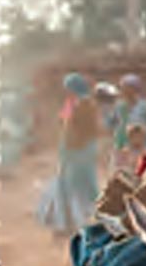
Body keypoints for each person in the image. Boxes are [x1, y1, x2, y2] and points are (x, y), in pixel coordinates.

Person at [36, 73, 101, 235]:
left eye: (69, 89)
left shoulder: (86, 105)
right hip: (71, 150)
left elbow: (88, 130)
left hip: (81, 150)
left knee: (84, 187)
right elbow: (64, 125)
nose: (67, 92)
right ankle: (65, 224)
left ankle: (92, 221)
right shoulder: (72, 103)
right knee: (66, 187)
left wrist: (74, 146)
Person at [109, 73, 146, 171]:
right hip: (121, 144)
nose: (123, 90)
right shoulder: (119, 107)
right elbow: (112, 123)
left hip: (139, 145)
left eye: (126, 87)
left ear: (134, 89)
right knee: (120, 172)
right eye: (122, 87)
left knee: (140, 171)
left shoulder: (144, 107)